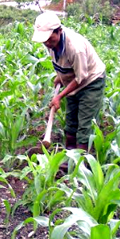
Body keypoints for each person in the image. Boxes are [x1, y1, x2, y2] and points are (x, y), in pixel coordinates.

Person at [32, 12, 106, 151]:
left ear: (59, 31)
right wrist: (60, 76)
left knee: (85, 124)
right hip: (73, 81)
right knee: (71, 123)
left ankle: (82, 163)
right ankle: (70, 156)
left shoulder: (75, 48)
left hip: (91, 81)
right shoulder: (51, 43)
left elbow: (81, 77)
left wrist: (59, 96)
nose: (47, 43)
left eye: (50, 40)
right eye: (45, 40)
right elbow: (63, 61)